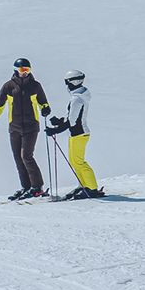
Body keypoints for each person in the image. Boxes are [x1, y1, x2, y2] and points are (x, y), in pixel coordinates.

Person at [0, 58, 51, 200]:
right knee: (18, 158)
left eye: (27, 70)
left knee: (26, 156)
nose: (24, 73)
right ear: (16, 70)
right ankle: (26, 187)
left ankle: (37, 187)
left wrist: (46, 109)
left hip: (31, 126)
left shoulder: (35, 86)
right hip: (14, 127)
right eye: (22, 70)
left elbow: (43, 102)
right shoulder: (8, 87)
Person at [44, 70, 104, 199]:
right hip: (77, 134)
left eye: (67, 82)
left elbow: (72, 121)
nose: (67, 86)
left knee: (79, 162)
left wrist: (55, 130)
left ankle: (92, 188)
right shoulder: (78, 97)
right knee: (74, 161)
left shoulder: (77, 99)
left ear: (73, 82)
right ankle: (83, 185)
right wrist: (59, 122)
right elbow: (72, 119)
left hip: (79, 134)